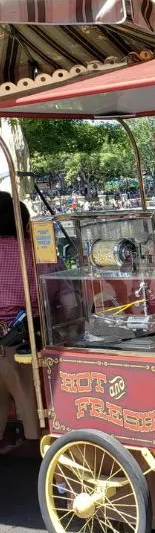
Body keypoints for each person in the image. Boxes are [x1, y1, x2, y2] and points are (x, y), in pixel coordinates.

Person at [0, 192, 41, 449]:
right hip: (23, 339)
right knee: (30, 404)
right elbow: (53, 291)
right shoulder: (34, 250)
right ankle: (43, 459)